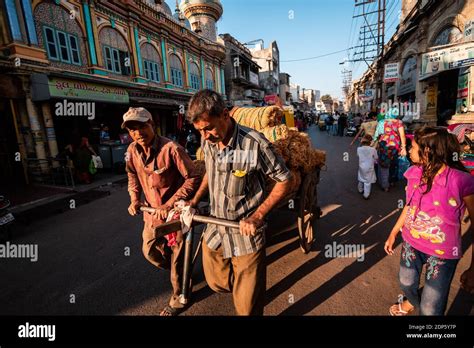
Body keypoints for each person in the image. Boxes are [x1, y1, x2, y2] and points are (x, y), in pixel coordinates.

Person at [186, 90, 292, 315]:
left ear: (225, 115)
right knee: (216, 283)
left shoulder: (254, 144)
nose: (205, 136)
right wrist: (194, 201)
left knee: (247, 308)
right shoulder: (209, 142)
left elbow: (285, 180)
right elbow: (210, 173)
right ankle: (245, 288)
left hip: (245, 235)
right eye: (200, 131)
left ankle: (250, 292)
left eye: (209, 128)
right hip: (215, 229)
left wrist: (257, 215)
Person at [384, 126, 474, 315]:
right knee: (406, 282)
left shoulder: (461, 181)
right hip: (411, 242)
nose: (408, 150)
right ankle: (412, 301)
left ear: (427, 152)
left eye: (413, 147)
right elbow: (409, 206)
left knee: (430, 308)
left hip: (443, 252)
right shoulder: (414, 173)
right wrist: (393, 232)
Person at [124, 107, 201, 316]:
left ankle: (180, 296)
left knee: (177, 259)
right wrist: (134, 199)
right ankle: (183, 272)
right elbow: (132, 176)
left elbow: (193, 177)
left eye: (142, 127)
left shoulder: (172, 149)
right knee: (150, 252)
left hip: (175, 215)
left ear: (152, 125)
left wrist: (170, 205)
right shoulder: (131, 151)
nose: (137, 133)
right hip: (151, 215)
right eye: (132, 130)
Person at [373, 107, 407, 191]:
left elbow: (377, 135)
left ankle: (384, 185)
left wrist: (375, 144)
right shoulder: (399, 122)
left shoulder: (382, 122)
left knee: (384, 165)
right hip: (395, 146)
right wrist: (404, 147)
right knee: (393, 164)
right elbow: (402, 136)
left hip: (383, 145)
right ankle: (391, 181)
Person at [357, 134, 378, 200]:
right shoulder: (373, 149)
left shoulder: (359, 149)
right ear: (370, 142)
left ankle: (360, 189)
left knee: (361, 177)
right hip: (369, 166)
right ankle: (366, 194)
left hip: (361, 166)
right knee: (367, 181)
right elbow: (376, 157)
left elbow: (358, 155)